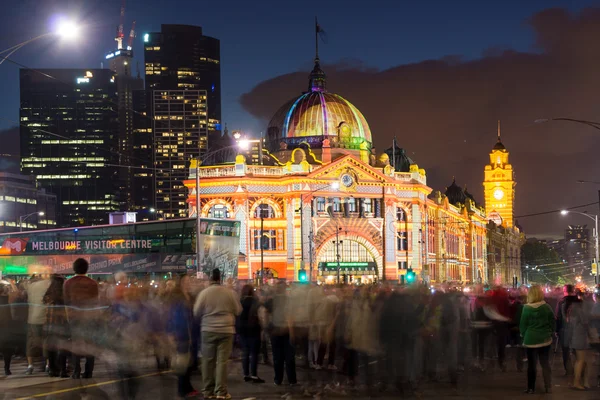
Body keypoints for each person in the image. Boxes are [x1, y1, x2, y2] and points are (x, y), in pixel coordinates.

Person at [193, 268, 242, 400]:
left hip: (208, 329)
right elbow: (238, 310)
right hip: (226, 330)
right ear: (220, 278)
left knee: (207, 361)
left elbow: (196, 311)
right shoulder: (229, 293)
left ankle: (208, 391)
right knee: (222, 362)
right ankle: (221, 391)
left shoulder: (204, 293)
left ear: (210, 278)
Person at [63, 258, 99, 379]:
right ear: (86, 268)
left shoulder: (68, 283)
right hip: (90, 318)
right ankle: (89, 372)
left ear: (74, 268)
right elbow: (95, 302)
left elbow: (66, 303)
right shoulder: (93, 283)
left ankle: (76, 371)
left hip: (75, 318)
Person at [165, 277, 197, 398]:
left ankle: (187, 386)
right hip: (181, 334)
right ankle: (182, 389)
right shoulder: (177, 298)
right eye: (187, 281)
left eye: (190, 281)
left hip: (190, 334)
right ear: (181, 283)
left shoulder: (189, 297)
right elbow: (171, 316)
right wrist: (171, 333)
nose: (189, 283)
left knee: (188, 362)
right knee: (183, 363)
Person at [520, 285, 555, 394]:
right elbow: (552, 322)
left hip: (531, 340)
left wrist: (524, 335)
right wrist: (550, 332)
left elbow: (523, 325)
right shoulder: (547, 307)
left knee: (531, 365)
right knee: (545, 363)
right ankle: (548, 386)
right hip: (544, 338)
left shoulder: (526, 308)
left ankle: (531, 388)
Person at [237, 284, 265, 383]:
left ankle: (246, 374)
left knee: (245, 352)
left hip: (242, 330)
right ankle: (254, 374)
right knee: (254, 353)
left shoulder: (240, 302)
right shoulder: (256, 302)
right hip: (254, 329)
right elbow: (261, 316)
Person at [43, 275, 69, 377]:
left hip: (49, 325)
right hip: (61, 325)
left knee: (51, 348)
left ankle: (52, 369)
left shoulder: (48, 296)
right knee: (62, 348)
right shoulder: (63, 296)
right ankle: (63, 370)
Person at [25, 273, 51, 375]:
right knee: (46, 341)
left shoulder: (31, 286)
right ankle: (48, 365)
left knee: (31, 342)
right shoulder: (48, 284)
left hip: (32, 319)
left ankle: (30, 366)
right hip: (45, 318)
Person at [565, 292, 591, 390]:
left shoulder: (570, 311)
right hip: (580, 337)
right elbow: (585, 322)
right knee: (581, 361)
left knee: (577, 361)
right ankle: (576, 382)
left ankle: (575, 381)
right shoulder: (579, 311)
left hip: (573, 337)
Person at [556, 284, 577, 376]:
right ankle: (579, 370)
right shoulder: (578, 301)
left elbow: (558, 317)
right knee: (577, 351)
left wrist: (557, 330)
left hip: (564, 329)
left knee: (566, 351)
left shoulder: (561, 302)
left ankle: (568, 370)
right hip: (577, 330)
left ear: (564, 290)